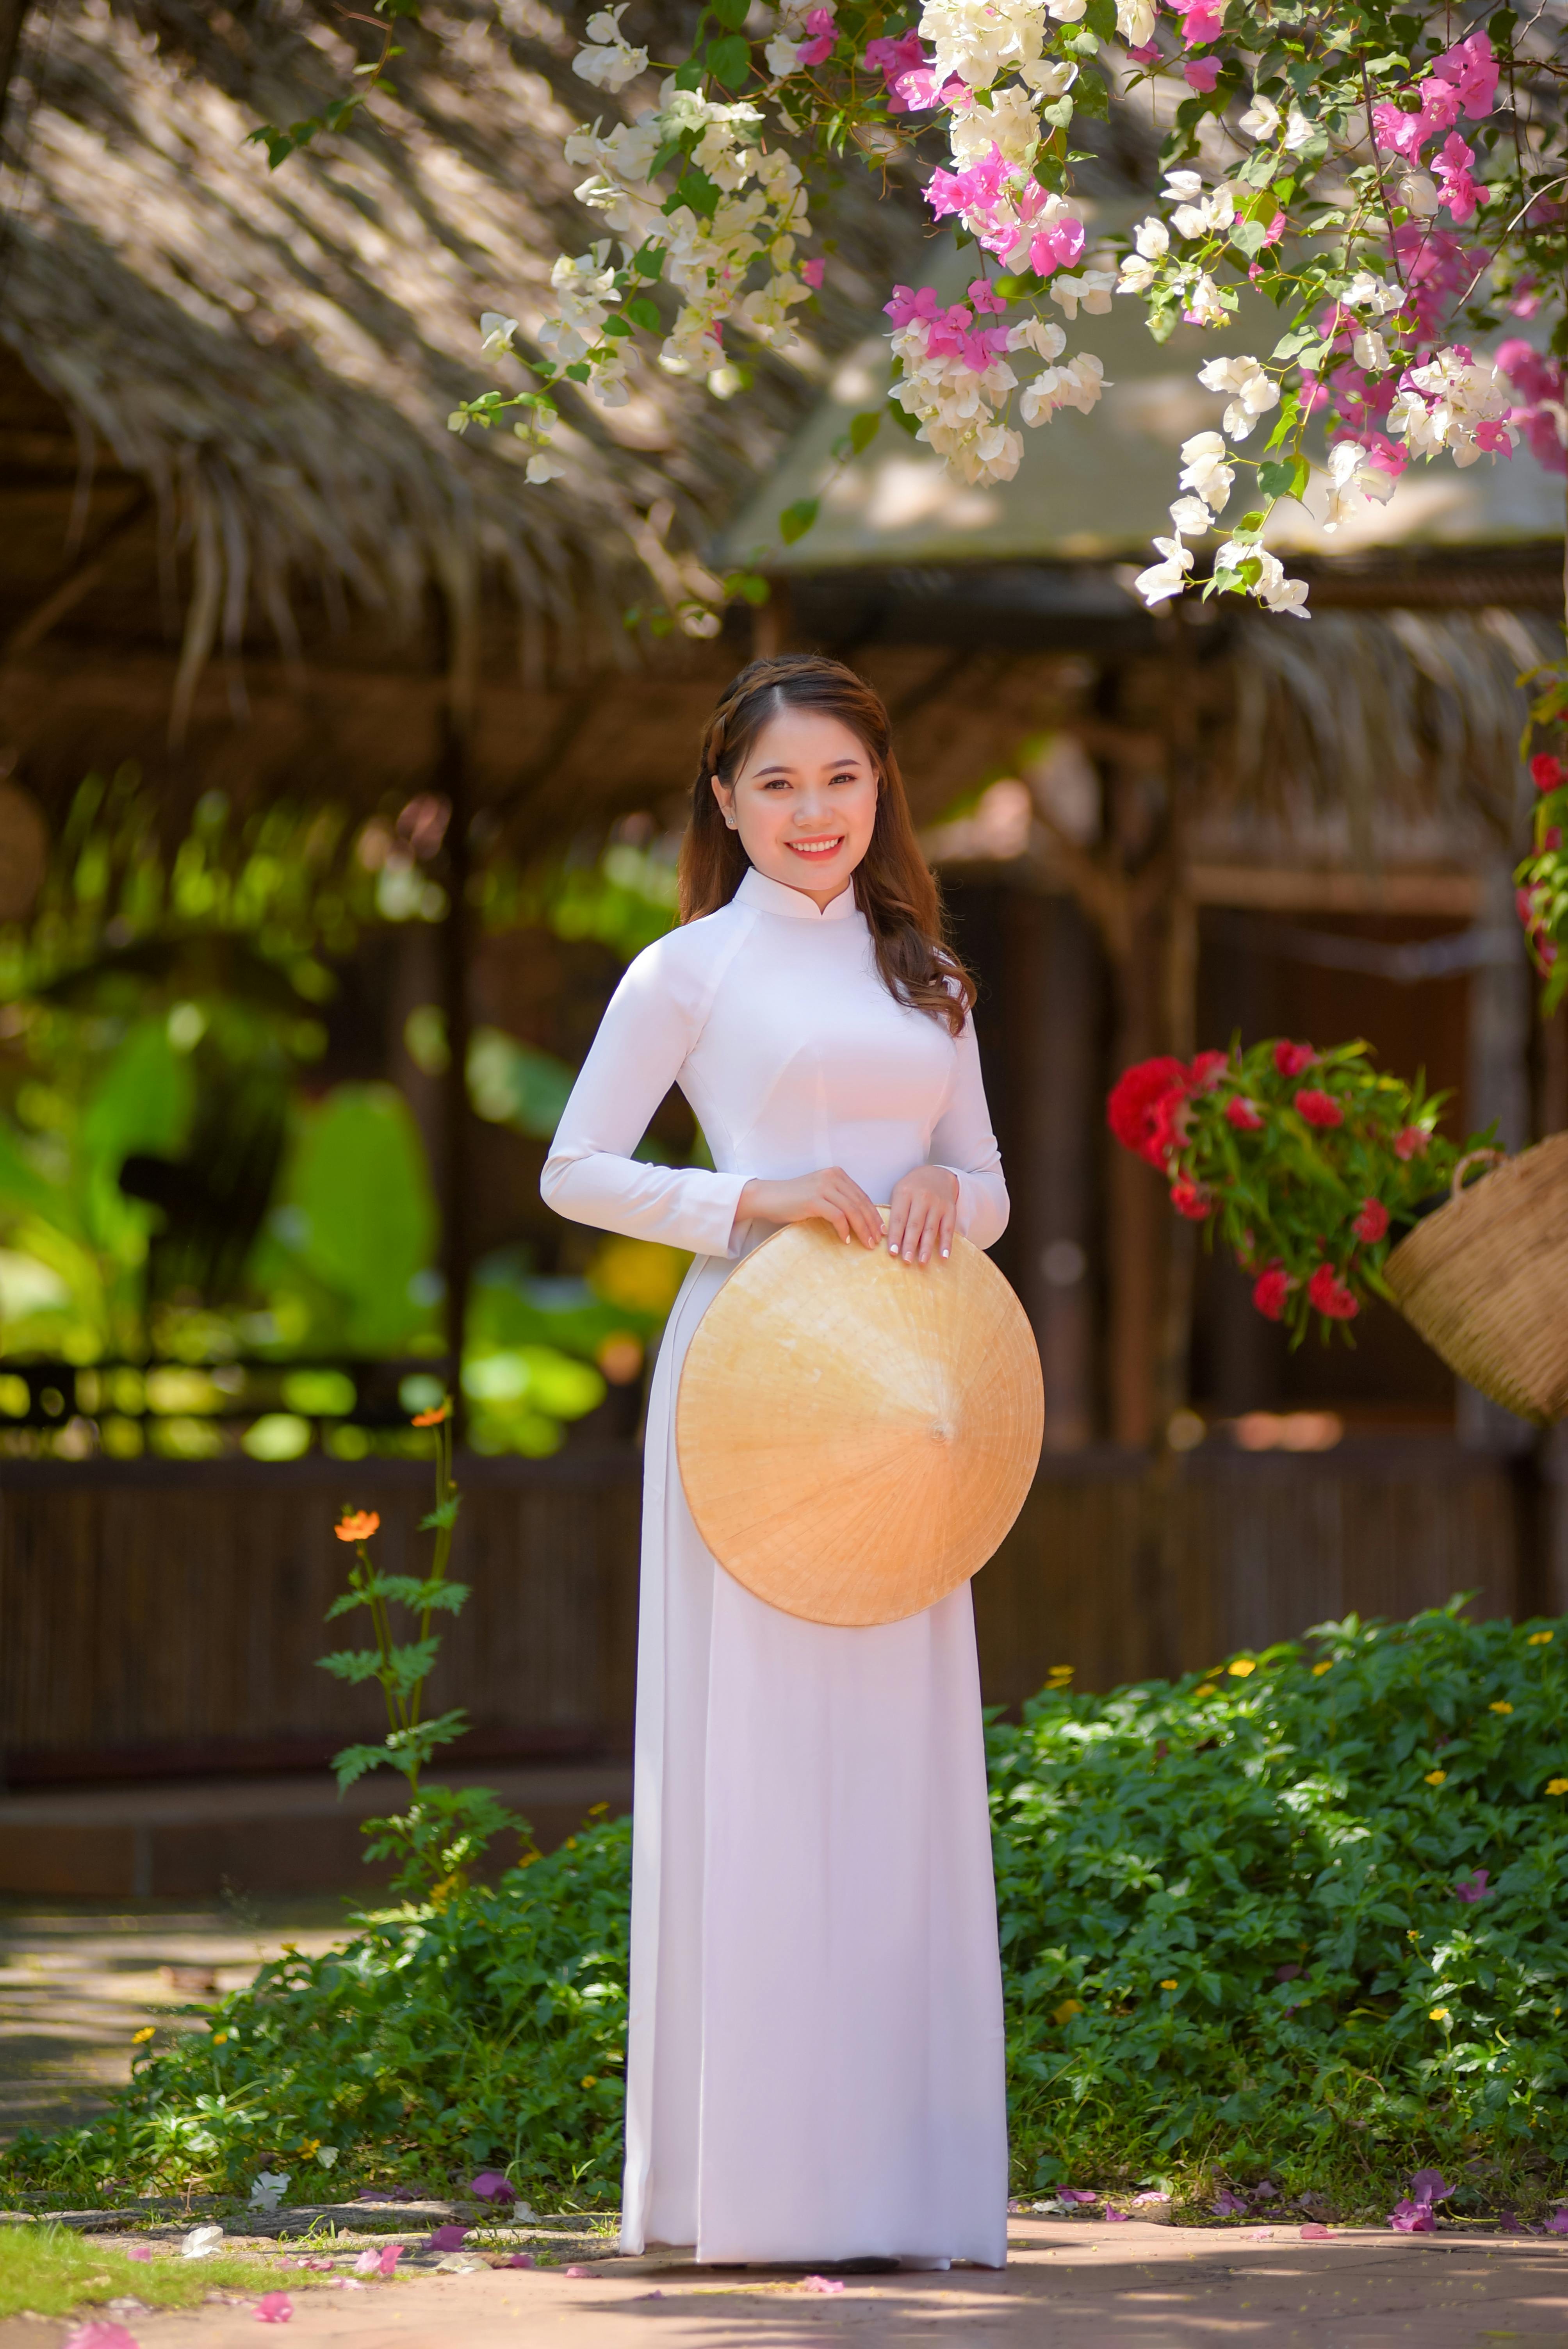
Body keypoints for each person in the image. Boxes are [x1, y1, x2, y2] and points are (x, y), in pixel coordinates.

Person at [541, 653, 1009, 2270]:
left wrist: (950, 1198)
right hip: (747, 1369)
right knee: (755, 1745)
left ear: (881, 789)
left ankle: (904, 2186)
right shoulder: (686, 969)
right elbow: (575, 1168)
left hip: (905, 1390)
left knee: (897, 1760)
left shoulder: (929, 979)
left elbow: (986, 1183)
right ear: (725, 802)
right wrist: (751, 1197)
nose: (816, 812)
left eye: (842, 779)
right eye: (779, 784)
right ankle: (750, 2189)